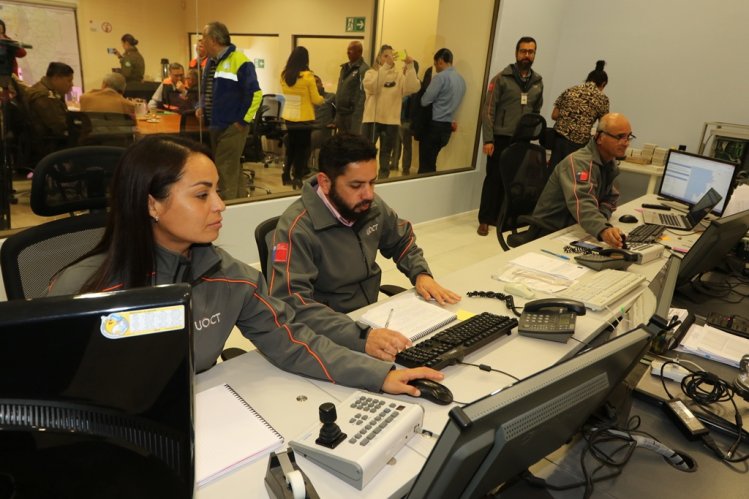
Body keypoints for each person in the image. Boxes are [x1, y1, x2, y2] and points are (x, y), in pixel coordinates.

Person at [45, 135, 444, 397]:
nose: (220, 205)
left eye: (217, 191)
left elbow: (292, 339)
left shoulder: (230, 276)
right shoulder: (84, 291)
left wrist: (378, 375)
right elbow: (45, 391)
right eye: (203, 195)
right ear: (152, 204)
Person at [267, 133, 461, 362]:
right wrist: (360, 335)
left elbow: (401, 240)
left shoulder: (370, 206)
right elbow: (293, 304)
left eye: (372, 182)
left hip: (371, 317)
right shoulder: (296, 230)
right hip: (328, 331)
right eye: (356, 185)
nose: (368, 194)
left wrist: (421, 274)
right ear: (325, 182)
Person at [530, 113, 631, 248]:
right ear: (600, 138)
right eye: (620, 137)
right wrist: (603, 229)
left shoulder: (608, 162)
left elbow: (610, 198)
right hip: (549, 231)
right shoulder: (579, 163)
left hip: (576, 227)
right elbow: (582, 202)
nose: (626, 143)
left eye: (628, 136)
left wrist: (601, 219)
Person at [478, 36, 543, 236]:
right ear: (516, 53)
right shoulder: (501, 79)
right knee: (494, 179)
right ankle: (485, 219)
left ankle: (502, 217)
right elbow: (488, 110)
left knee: (514, 181)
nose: (527, 55)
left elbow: (536, 110)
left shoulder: (537, 82)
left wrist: (532, 134)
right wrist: (488, 139)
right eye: (523, 51)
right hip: (500, 138)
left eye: (531, 52)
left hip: (522, 140)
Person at [196, 21, 262, 200]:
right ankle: (241, 203)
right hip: (215, 124)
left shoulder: (240, 61)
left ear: (214, 40)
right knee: (231, 169)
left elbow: (255, 94)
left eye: (204, 38)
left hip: (232, 127)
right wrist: (201, 106)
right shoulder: (210, 61)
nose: (201, 43)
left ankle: (229, 210)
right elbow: (206, 89)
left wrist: (242, 122)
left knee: (223, 171)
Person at [362, 45, 419, 179]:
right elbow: (373, 87)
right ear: (379, 58)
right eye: (385, 56)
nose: (389, 58)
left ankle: (383, 179)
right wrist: (385, 68)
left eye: (391, 55)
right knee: (366, 152)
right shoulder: (370, 73)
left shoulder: (399, 76)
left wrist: (410, 67)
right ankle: (366, 178)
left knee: (386, 153)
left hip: (391, 122)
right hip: (371, 120)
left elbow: (413, 88)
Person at [549, 60, 610, 169]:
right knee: (571, 176)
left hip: (558, 140)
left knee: (553, 174)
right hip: (578, 145)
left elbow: (554, 115)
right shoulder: (602, 99)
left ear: (588, 79)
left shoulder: (570, 90)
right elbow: (604, 126)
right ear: (603, 84)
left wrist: (569, 118)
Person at [279, 46, 324, 189]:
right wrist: (323, 98)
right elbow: (316, 99)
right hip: (304, 118)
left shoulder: (284, 75)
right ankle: (298, 177)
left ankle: (286, 174)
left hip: (289, 117)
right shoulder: (307, 76)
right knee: (302, 148)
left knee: (291, 146)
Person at [418, 48, 466, 174]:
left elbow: (424, 101)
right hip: (447, 128)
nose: (435, 67)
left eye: (435, 64)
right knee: (432, 161)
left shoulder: (440, 78)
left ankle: (425, 191)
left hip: (434, 126)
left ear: (440, 61)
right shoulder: (461, 80)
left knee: (426, 166)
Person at [26, 62, 74, 158]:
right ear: (56, 78)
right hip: (49, 146)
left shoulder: (44, 90)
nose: (71, 84)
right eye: (69, 80)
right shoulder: (44, 96)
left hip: (43, 142)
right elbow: (59, 125)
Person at [335, 41, 368, 135]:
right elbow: (340, 89)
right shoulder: (344, 68)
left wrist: (357, 115)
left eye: (351, 50)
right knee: (340, 142)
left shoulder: (364, 69)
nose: (348, 52)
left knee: (352, 141)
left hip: (352, 115)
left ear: (359, 52)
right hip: (341, 113)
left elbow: (362, 94)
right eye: (348, 50)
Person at [310, 75, 336, 172]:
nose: (315, 85)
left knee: (307, 140)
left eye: (317, 82)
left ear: (321, 83)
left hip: (322, 129)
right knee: (291, 138)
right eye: (313, 83)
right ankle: (298, 169)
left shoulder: (331, 96)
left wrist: (335, 122)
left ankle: (303, 169)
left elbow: (340, 110)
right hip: (308, 128)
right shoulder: (308, 98)